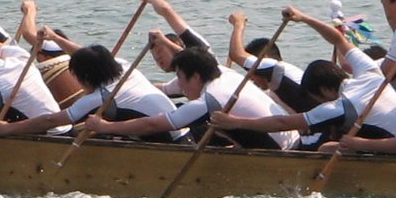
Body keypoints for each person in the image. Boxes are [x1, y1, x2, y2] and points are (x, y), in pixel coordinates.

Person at [212, 7, 396, 153]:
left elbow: (282, 123)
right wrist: (303, 17)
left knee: (325, 149)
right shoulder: (369, 72)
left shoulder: (340, 106)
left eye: (318, 98)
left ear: (324, 90)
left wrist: (235, 122)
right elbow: (338, 38)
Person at [87, 44, 299, 149]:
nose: (178, 84)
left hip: (284, 154)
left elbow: (153, 125)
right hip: (292, 142)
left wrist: (106, 127)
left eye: (180, 77)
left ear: (196, 76)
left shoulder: (210, 100)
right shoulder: (225, 73)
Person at [0, 44, 185, 141]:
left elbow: (50, 121)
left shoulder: (100, 98)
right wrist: (56, 38)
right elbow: (83, 51)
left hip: (169, 141)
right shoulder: (125, 67)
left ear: (85, 77)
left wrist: (6, 129)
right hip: (184, 132)